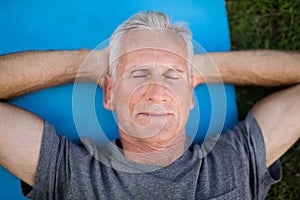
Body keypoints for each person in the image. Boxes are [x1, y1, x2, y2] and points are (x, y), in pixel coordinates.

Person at [0, 11, 299, 199]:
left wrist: (203, 68)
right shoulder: (68, 173)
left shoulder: (236, 162)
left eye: (172, 76)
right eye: (139, 74)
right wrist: (89, 63)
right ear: (109, 95)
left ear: (191, 96)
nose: (156, 91)